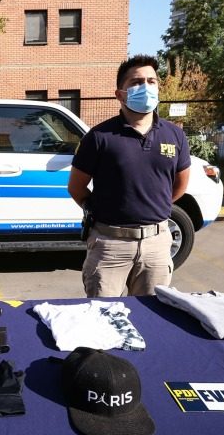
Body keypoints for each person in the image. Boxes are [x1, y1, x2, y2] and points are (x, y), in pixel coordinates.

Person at [67, 54, 191, 297]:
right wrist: (99, 211)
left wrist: (153, 207)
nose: (146, 87)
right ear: (120, 94)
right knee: (104, 315)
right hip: (110, 245)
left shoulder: (175, 135)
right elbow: (76, 187)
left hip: (156, 245)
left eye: (151, 81)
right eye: (136, 82)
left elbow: (179, 185)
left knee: (150, 314)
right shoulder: (99, 137)